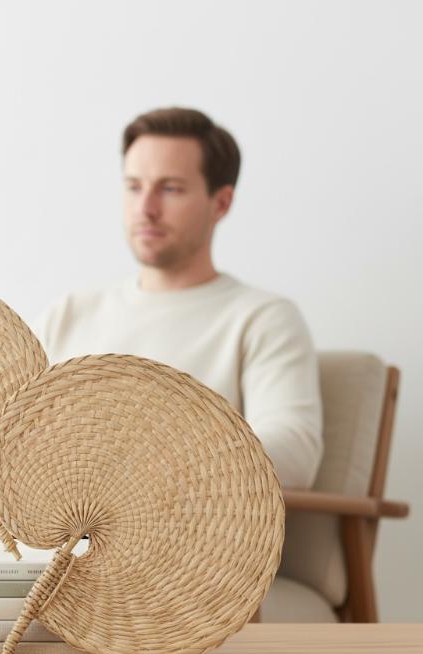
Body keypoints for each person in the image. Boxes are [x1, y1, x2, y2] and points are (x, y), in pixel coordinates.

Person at [35, 107, 323, 489]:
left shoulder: (261, 318)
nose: (146, 209)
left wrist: (150, 470)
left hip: (188, 524)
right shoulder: (69, 314)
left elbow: (294, 454)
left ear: (221, 203)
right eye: (134, 187)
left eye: (170, 189)